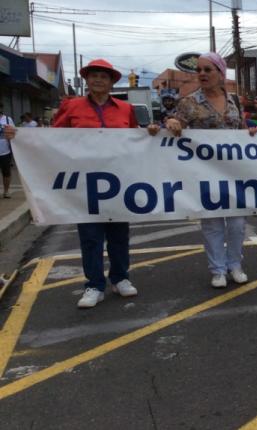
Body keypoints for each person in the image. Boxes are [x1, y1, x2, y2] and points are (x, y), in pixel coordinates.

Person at [5, 59, 158, 308]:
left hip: (118, 182)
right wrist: (21, 136)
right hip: (84, 184)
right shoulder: (72, 106)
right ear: (87, 80)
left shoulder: (124, 108)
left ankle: (121, 278)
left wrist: (151, 132)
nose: (98, 80)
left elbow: (135, 139)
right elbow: (52, 139)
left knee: (119, 234)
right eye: (93, 75)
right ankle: (94, 285)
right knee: (90, 237)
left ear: (111, 82)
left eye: (104, 76)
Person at [166, 52, 257, 288]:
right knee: (212, 223)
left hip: (234, 171)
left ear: (220, 73)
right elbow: (176, 127)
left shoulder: (235, 101)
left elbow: (241, 129)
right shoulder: (188, 103)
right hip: (204, 173)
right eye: (199, 70)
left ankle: (235, 265)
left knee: (237, 223)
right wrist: (173, 124)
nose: (202, 74)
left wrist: (251, 133)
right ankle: (217, 270)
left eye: (208, 70)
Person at [0, 101, 14, 199]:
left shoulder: (7, 120)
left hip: (5, 151)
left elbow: (13, 133)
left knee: (6, 172)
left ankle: (6, 191)